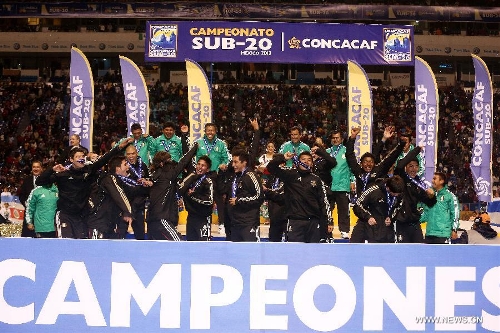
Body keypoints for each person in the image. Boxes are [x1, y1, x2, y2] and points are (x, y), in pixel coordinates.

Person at [35, 138, 133, 239]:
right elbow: (39, 182)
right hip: (65, 215)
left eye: (83, 156)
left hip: (81, 217)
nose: (81, 158)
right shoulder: (62, 174)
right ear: (71, 159)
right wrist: (52, 170)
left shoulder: (88, 171)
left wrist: (119, 147)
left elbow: (103, 160)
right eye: (78, 157)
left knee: (80, 246)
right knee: (64, 244)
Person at [267, 151, 332, 243]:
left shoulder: (317, 180)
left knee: (314, 253)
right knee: (294, 254)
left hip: (313, 222)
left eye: (309, 160)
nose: (306, 162)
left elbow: (324, 202)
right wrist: (283, 158)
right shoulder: (289, 175)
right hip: (295, 221)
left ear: (312, 163)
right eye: (303, 159)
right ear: (297, 162)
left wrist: (329, 221)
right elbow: (270, 168)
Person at [87, 155, 152, 239]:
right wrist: (128, 212)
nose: (128, 166)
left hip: (109, 225)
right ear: (118, 169)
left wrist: (147, 185)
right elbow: (119, 195)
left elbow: (134, 191)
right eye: (125, 164)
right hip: (98, 223)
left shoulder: (120, 182)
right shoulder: (109, 178)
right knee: (95, 250)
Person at [148, 143, 198, 240]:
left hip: (154, 219)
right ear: (162, 164)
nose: (173, 162)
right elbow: (183, 162)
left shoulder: (156, 176)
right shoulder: (167, 174)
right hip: (162, 218)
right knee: (179, 243)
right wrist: (194, 148)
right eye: (169, 160)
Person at [394, 146, 436, 243]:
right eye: (411, 166)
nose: (414, 168)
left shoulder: (420, 183)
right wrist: (416, 150)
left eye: (416, 166)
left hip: (415, 223)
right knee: (403, 252)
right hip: (402, 222)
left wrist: (432, 196)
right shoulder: (401, 177)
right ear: (406, 167)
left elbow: (430, 203)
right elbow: (400, 164)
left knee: (419, 249)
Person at [346, 126, 405, 197]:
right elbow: (349, 155)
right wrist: (352, 137)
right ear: (361, 164)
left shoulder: (378, 170)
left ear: (374, 163)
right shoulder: (357, 170)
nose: (368, 164)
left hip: (375, 205)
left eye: (371, 162)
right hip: (360, 204)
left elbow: (391, 158)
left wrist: (401, 145)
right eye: (365, 162)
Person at [195, 122, 230, 236]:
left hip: (216, 175)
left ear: (215, 131)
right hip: (202, 176)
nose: (210, 132)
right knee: (203, 200)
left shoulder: (221, 144)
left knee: (219, 201)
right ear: (205, 131)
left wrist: (223, 164)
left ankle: (222, 225)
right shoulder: (198, 143)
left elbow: (227, 158)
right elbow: (192, 157)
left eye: (212, 130)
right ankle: (204, 223)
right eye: (208, 130)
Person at [351, 175, 405, 243]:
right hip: (368, 225)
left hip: (385, 229)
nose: (396, 195)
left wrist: (391, 217)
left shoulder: (399, 192)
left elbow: (397, 207)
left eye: (398, 194)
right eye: (394, 194)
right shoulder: (373, 190)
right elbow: (357, 205)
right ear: (387, 188)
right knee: (354, 247)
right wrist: (368, 217)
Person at [227, 149, 264, 242]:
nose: (233, 165)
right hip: (235, 223)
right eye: (232, 162)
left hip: (249, 223)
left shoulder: (251, 176)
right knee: (236, 255)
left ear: (244, 163)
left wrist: (239, 201)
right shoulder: (235, 177)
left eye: (236, 162)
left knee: (251, 254)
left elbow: (259, 197)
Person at [178, 155, 214, 241]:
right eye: (198, 164)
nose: (200, 167)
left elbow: (209, 201)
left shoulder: (208, 182)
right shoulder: (191, 178)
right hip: (191, 217)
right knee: (190, 246)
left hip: (203, 218)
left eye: (203, 165)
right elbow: (181, 189)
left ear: (207, 169)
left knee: (204, 246)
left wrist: (193, 196)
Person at [326, 130, 353, 240]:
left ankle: (344, 231)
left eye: (337, 137)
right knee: (327, 209)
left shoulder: (347, 151)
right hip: (329, 186)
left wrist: (352, 180)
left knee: (343, 209)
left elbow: (352, 166)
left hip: (343, 185)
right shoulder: (327, 151)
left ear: (342, 139)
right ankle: (327, 228)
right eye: (333, 138)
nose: (335, 139)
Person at [420, 172, 460, 244]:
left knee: (443, 255)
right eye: (433, 178)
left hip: (443, 234)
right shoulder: (429, 194)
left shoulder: (450, 196)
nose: (432, 181)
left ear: (442, 181)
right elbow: (425, 212)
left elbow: (455, 213)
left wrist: (454, 229)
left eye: (435, 179)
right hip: (429, 233)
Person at [123, 144, 150, 240]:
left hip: (139, 203)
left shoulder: (143, 165)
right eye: (128, 154)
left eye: (133, 154)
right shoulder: (123, 166)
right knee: (121, 231)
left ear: (137, 153)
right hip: (125, 203)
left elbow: (148, 181)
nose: (131, 156)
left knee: (140, 232)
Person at [17, 160, 43, 237]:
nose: (35, 169)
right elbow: (21, 195)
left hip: (42, 214)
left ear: (41, 168)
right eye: (34, 167)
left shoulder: (46, 181)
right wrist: (26, 203)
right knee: (27, 237)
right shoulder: (26, 181)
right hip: (29, 214)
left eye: (38, 167)